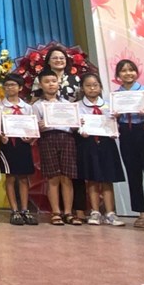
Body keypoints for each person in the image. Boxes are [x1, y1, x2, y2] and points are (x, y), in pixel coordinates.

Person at [112, 59, 144, 228]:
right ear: (118, 75)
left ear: (137, 72)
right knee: (133, 175)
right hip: (126, 133)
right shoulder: (116, 95)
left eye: (131, 70)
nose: (128, 73)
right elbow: (112, 118)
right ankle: (141, 213)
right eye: (123, 70)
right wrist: (115, 115)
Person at [32, 70, 82, 226]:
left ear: (58, 83)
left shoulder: (67, 104)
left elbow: (73, 127)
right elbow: (33, 127)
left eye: (53, 81)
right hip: (47, 139)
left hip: (67, 139)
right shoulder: (37, 105)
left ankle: (68, 212)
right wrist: (39, 126)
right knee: (52, 177)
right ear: (41, 85)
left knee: (67, 176)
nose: (51, 84)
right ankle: (56, 212)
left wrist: (78, 124)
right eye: (47, 82)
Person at [75, 72, 126, 226]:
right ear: (82, 88)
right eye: (88, 86)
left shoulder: (109, 106)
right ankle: (95, 212)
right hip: (87, 144)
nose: (92, 88)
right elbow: (74, 125)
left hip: (106, 144)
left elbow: (114, 125)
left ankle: (110, 213)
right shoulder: (77, 106)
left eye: (95, 85)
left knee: (107, 178)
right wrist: (79, 128)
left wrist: (115, 126)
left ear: (100, 87)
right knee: (92, 178)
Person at [0, 73, 37, 226]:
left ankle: (25, 210)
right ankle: (14, 210)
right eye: (7, 85)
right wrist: (1, 135)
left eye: (13, 85)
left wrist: (31, 138)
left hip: (23, 144)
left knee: (23, 177)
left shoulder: (27, 108)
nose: (10, 88)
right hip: (7, 144)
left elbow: (32, 127)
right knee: (10, 177)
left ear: (20, 88)